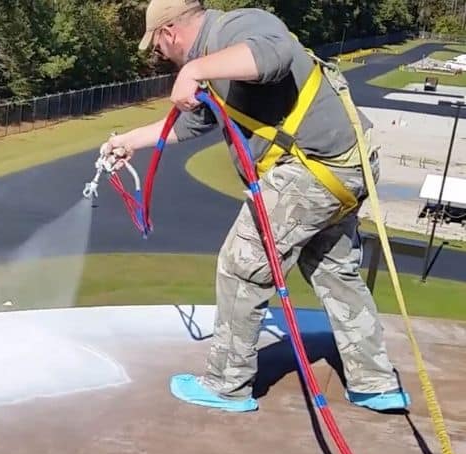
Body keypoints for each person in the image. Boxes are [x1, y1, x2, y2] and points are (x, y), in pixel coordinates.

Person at [99, 0, 411, 412]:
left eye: (158, 45)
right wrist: (128, 141)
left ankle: (226, 384)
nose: (161, 56)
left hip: (314, 169)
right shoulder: (216, 63)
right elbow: (194, 122)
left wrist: (193, 71)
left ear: (169, 32)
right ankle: (375, 382)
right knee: (333, 270)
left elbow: (273, 56)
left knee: (242, 265)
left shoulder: (238, 27)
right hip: (341, 168)